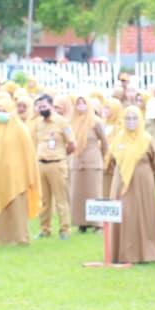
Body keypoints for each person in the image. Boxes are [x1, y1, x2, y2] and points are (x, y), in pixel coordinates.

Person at [0, 98, 40, 245]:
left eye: (4, 111)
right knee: (1, 210)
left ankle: (19, 238)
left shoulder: (20, 129)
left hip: (17, 178)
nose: (0, 114)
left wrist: (28, 175)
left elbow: (28, 155)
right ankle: (1, 238)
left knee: (16, 210)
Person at [106, 105, 155, 263]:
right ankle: (121, 253)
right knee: (123, 214)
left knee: (142, 214)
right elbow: (110, 161)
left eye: (134, 118)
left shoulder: (147, 139)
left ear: (140, 120)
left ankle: (145, 253)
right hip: (121, 182)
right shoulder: (118, 139)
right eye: (128, 118)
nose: (131, 122)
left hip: (142, 184)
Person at [33, 93, 76, 239]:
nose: (42, 109)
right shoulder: (39, 124)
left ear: (51, 106)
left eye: (44, 106)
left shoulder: (62, 122)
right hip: (41, 164)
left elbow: (72, 144)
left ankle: (64, 230)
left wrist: (61, 154)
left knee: (60, 199)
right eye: (40, 107)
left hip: (57, 164)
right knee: (44, 200)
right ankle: (45, 229)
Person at [69, 93, 109, 233]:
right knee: (78, 194)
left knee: (94, 192)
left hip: (92, 161)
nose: (81, 106)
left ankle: (98, 224)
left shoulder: (95, 121)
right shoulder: (72, 122)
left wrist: (102, 157)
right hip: (77, 161)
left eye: (83, 103)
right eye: (78, 103)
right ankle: (82, 223)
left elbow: (104, 141)